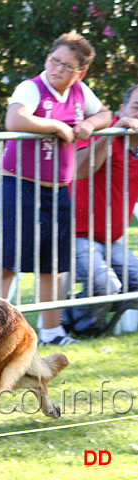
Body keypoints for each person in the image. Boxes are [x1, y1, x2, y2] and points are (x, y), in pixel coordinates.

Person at [0, 32, 112, 346]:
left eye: (67, 66)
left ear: (80, 73)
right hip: (20, 186)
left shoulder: (81, 92)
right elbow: (15, 119)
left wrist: (89, 125)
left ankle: (52, 332)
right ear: (47, 60)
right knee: (6, 262)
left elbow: (106, 114)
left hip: (58, 190)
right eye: (55, 61)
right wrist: (56, 126)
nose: (58, 69)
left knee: (53, 265)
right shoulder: (31, 87)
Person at [61, 85, 138, 337]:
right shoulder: (101, 130)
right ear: (122, 109)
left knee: (132, 284)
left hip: (114, 239)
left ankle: (83, 309)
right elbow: (79, 170)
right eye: (136, 108)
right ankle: (80, 326)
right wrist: (110, 135)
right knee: (106, 285)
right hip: (77, 234)